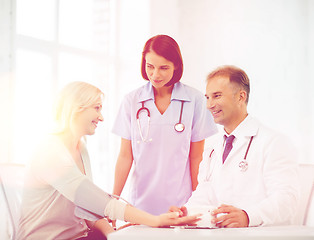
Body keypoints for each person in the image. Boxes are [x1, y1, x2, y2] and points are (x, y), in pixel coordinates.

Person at [17, 82, 200, 240]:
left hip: (80, 236)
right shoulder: (49, 151)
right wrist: (155, 220)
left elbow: (85, 208)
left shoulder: (81, 147)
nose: (101, 117)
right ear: (76, 109)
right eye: (96, 108)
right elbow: (94, 200)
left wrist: (112, 233)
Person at [170, 65, 300, 227]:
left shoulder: (274, 142)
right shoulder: (213, 145)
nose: (209, 105)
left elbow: (287, 199)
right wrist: (187, 212)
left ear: (241, 96)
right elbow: (206, 192)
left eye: (217, 96)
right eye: (208, 98)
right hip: (225, 234)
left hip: (263, 235)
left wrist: (248, 216)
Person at [112, 35, 217, 215]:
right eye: (150, 67)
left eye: (163, 68)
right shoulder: (132, 101)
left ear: (176, 65)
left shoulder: (195, 100)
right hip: (141, 204)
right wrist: (113, 201)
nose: (155, 75)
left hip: (180, 204)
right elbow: (125, 156)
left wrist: (197, 204)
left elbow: (196, 158)